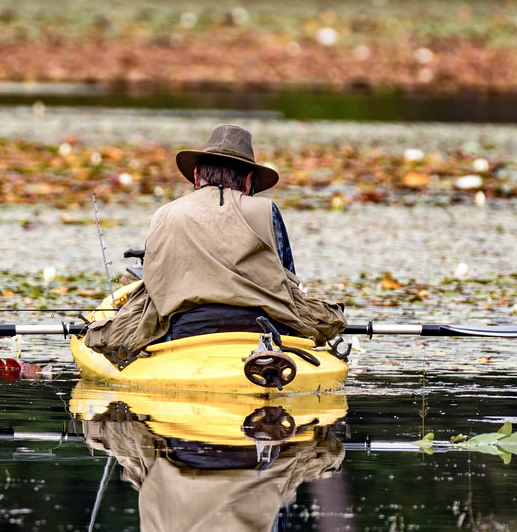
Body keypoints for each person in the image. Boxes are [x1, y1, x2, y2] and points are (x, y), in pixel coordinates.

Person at [84, 124, 346, 369]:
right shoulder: (267, 210)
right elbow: (287, 279)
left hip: (184, 332)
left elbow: (155, 282)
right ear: (248, 181)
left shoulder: (165, 213)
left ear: (196, 175)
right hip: (263, 330)